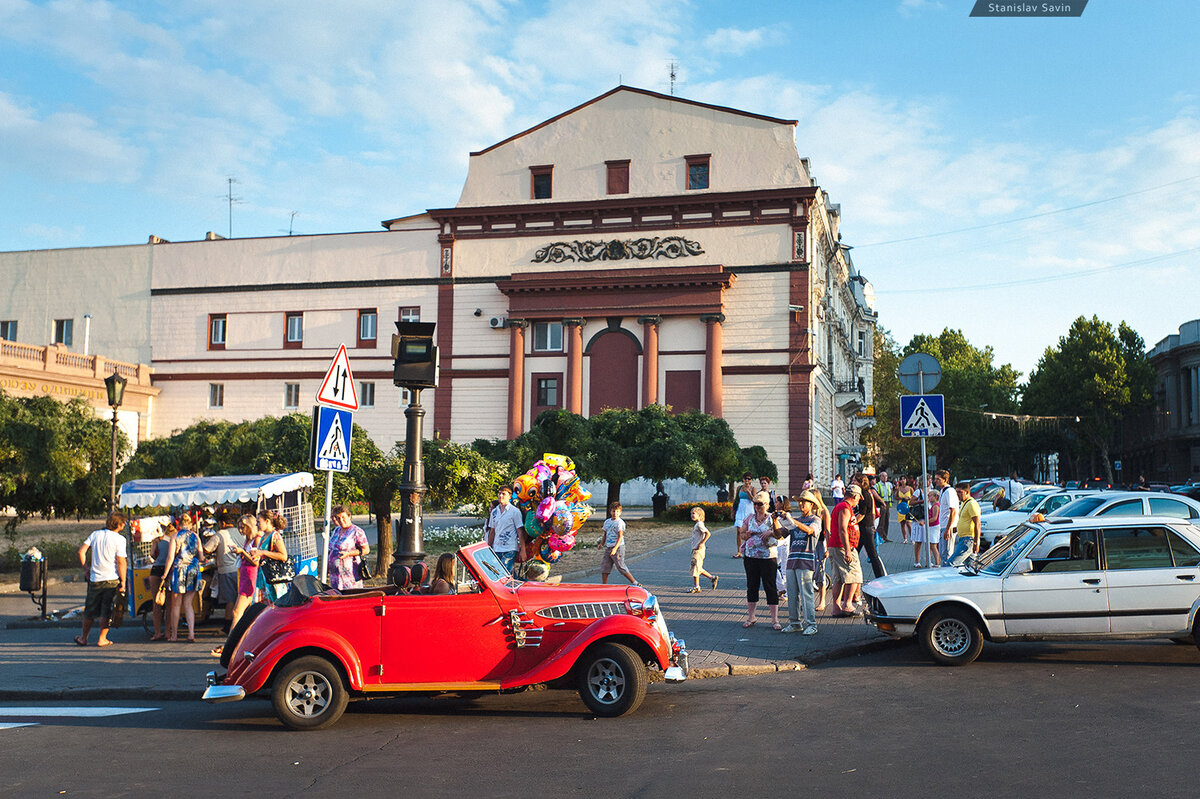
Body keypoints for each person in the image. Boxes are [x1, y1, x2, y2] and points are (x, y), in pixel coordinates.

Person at [75, 512, 128, 648]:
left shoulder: (95, 534)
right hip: (111, 578)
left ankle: (84, 637)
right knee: (107, 610)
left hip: (95, 578)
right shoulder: (120, 539)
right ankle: (102, 638)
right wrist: (123, 581)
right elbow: (121, 561)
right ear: (119, 524)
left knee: (90, 610)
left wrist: (86, 568)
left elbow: (81, 552)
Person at [778, 492, 821, 635]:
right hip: (792, 560)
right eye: (800, 501)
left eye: (805, 501)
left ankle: (811, 624)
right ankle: (795, 623)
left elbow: (810, 531)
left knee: (806, 594)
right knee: (792, 594)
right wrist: (774, 520)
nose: (801, 504)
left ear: (812, 504)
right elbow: (779, 534)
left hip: (806, 560)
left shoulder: (815, 519)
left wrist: (792, 520)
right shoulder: (794, 521)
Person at [738, 491, 781, 630]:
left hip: (768, 556)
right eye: (755, 504)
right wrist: (747, 534)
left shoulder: (772, 518)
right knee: (752, 585)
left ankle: (775, 620)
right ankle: (751, 617)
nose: (757, 507)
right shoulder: (749, 518)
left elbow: (780, 534)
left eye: (760, 504)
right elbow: (742, 534)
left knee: (770, 586)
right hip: (751, 556)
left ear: (767, 504)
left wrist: (770, 532)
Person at [163, 515, 202, 643]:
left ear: (179, 524)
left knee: (176, 605)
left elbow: (170, 557)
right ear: (190, 524)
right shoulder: (195, 536)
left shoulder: (175, 536)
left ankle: (174, 635)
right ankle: (191, 633)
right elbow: (201, 556)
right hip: (193, 570)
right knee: (188, 604)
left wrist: (165, 574)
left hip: (179, 571)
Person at [202, 511, 241, 634]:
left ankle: (227, 627)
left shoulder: (219, 534)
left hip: (227, 570)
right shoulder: (241, 532)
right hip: (240, 569)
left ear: (222, 523)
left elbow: (207, 549)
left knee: (230, 599)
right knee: (239, 599)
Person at [828, 484, 863, 616]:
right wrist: (848, 550)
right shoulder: (844, 507)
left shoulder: (843, 507)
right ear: (854, 496)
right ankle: (847, 605)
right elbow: (843, 529)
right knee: (854, 575)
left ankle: (836, 608)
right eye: (859, 498)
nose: (859, 500)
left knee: (839, 578)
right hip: (842, 547)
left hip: (837, 546)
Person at [328, 505, 370, 590]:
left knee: (349, 598)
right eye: (338, 518)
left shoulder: (357, 531)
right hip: (335, 575)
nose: (341, 520)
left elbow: (366, 550)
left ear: (349, 516)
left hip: (349, 576)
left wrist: (348, 554)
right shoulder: (336, 530)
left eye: (343, 517)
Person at [486, 486, 525, 573]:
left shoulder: (515, 511)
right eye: (499, 493)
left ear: (509, 496)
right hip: (496, 548)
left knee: (505, 573)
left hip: (509, 548)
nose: (501, 496)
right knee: (497, 573)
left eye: (503, 494)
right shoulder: (494, 512)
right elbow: (492, 531)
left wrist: (523, 550)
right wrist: (488, 547)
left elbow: (520, 532)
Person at [600, 502, 639, 585]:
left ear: (620, 512)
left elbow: (620, 536)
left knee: (620, 566)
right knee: (605, 567)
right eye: (613, 511)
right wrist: (601, 543)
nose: (615, 513)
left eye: (617, 511)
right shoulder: (607, 522)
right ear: (610, 511)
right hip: (608, 547)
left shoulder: (620, 523)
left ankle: (634, 582)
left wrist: (615, 548)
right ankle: (604, 585)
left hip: (618, 548)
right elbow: (605, 534)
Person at [256, 510, 291, 602]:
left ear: (267, 521)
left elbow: (283, 556)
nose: (257, 524)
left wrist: (263, 552)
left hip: (273, 577)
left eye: (259, 522)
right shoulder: (263, 536)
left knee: (275, 605)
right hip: (264, 576)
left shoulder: (275, 535)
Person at [856, 474, 886, 579]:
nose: (853, 483)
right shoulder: (863, 493)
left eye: (855, 481)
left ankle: (881, 577)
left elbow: (862, 513)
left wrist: (852, 522)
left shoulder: (865, 494)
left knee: (872, 555)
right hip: (864, 527)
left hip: (866, 527)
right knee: (854, 552)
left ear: (860, 482)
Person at [147, 519, 172, 640]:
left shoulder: (157, 540)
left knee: (156, 602)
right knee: (169, 604)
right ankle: (168, 632)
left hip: (156, 569)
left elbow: (152, 554)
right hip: (169, 570)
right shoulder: (175, 539)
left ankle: (157, 632)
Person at [948, 481, 982, 566]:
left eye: (960, 492)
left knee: (951, 564)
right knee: (969, 566)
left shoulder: (971, 504)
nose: (957, 494)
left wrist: (975, 542)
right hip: (964, 538)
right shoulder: (964, 503)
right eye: (957, 492)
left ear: (967, 492)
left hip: (968, 540)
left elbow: (977, 523)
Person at [687, 506, 718, 593]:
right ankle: (712, 578)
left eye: (694, 513)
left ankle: (696, 586)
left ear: (699, 515)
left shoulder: (700, 524)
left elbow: (708, 533)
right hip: (695, 549)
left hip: (698, 550)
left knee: (695, 568)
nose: (692, 515)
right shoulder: (698, 524)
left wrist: (701, 543)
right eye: (691, 513)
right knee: (697, 567)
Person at [934, 470, 960, 566]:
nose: (935, 481)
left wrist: (948, 529)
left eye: (938, 479)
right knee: (943, 553)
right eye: (935, 478)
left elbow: (953, 511)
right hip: (943, 525)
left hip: (948, 527)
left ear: (945, 480)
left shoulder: (949, 492)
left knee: (947, 554)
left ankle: (948, 573)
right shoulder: (942, 491)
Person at [731, 473, 756, 558]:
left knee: (748, 532)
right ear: (743, 479)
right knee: (739, 531)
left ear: (751, 480)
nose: (747, 480)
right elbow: (736, 500)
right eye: (745, 479)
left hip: (749, 512)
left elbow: (754, 500)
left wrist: (748, 492)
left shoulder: (753, 489)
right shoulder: (739, 488)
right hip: (740, 511)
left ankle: (748, 549)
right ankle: (739, 551)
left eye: (749, 479)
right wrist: (733, 511)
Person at [875, 471, 893, 542]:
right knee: (881, 520)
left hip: (888, 503)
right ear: (880, 477)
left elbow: (891, 492)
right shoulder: (878, 485)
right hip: (881, 503)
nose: (885, 477)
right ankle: (880, 537)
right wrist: (881, 502)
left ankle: (885, 536)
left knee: (886, 520)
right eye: (883, 476)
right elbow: (875, 493)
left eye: (886, 476)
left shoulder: (888, 484)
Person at [896, 476, 913, 544]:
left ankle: (912, 538)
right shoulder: (898, 489)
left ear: (906, 480)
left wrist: (909, 498)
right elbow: (895, 497)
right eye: (901, 479)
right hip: (901, 507)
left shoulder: (910, 488)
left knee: (909, 523)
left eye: (904, 479)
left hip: (908, 506)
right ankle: (905, 538)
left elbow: (914, 496)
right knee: (902, 523)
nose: (903, 480)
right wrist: (900, 498)